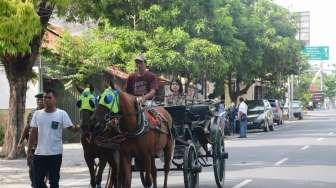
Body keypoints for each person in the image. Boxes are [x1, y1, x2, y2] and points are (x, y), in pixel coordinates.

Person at [27, 89, 80, 188]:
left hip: (55, 154)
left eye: (49, 97)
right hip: (39, 154)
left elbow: (72, 129)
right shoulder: (37, 114)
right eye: (44, 97)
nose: (46, 100)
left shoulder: (61, 114)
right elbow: (33, 134)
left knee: (54, 182)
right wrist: (29, 151)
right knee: (37, 182)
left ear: (55, 99)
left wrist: (81, 125)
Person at [17, 93, 44, 187]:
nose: (39, 101)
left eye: (41, 100)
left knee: (44, 170)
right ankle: (34, 184)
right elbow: (26, 128)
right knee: (32, 168)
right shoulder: (32, 113)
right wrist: (20, 142)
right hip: (33, 147)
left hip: (45, 147)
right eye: (38, 100)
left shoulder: (50, 113)